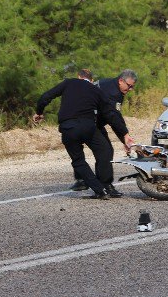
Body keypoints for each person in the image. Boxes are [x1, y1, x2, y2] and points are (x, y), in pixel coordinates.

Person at [32, 69, 131, 199]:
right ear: (91, 80)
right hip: (88, 127)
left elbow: (45, 97)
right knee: (104, 150)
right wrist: (125, 134)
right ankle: (105, 184)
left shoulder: (69, 83)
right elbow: (111, 114)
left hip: (68, 128)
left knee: (78, 160)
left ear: (79, 76)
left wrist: (39, 112)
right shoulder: (95, 89)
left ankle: (99, 190)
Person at [69, 69, 138, 193]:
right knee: (102, 150)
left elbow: (115, 116)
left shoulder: (112, 86)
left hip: (93, 122)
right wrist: (125, 136)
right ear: (121, 81)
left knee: (105, 150)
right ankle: (90, 182)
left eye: (132, 87)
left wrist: (124, 137)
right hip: (81, 122)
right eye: (129, 86)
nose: (131, 89)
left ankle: (98, 183)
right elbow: (112, 117)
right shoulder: (112, 92)